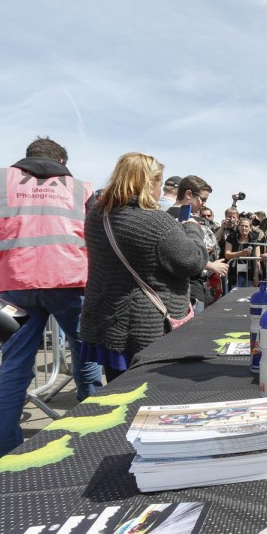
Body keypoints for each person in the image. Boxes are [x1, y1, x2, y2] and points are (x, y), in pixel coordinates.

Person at [0, 136, 104, 463]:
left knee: (15, 366)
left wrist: (11, 236)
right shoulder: (81, 188)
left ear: (26, 158)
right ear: (62, 162)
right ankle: (93, 432)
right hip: (70, 280)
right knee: (85, 352)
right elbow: (96, 234)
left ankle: (0, 451)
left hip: (17, 281)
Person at [81, 153, 207, 381]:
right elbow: (193, 261)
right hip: (146, 327)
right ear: (150, 184)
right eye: (160, 183)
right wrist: (190, 229)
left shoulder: (97, 216)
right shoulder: (156, 221)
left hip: (109, 322)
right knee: (149, 393)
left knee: (118, 392)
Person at [167, 175, 228, 311]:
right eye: (203, 199)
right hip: (188, 290)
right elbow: (185, 255)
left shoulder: (166, 216)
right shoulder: (185, 220)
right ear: (189, 194)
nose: (204, 204)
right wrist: (211, 265)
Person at [224, 216, 260, 289]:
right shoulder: (231, 237)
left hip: (250, 274)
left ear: (250, 228)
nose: (244, 228)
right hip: (235, 274)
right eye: (242, 226)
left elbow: (257, 259)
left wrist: (256, 277)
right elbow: (227, 254)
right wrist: (241, 253)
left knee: (248, 297)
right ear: (238, 227)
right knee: (236, 297)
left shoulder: (254, 239)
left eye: (246, 226)